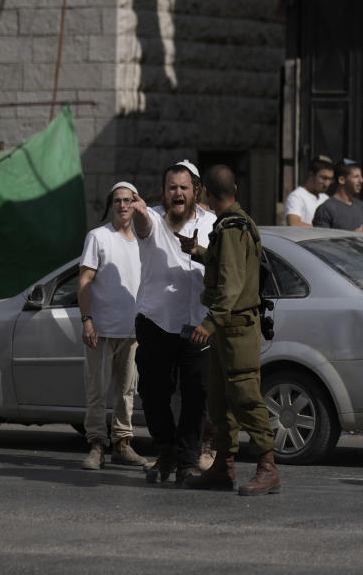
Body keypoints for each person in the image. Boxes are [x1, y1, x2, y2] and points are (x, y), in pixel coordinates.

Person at [178, 165, 281, 496]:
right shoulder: (231, 225)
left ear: (205, 192)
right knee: (220, 401)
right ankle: (224, 467)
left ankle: (268, 468)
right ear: (234, 189)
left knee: (246, 398)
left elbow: (233, 284)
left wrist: (209, 323)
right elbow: (228, 265)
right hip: (229, 328)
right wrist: (199, 253)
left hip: (236, 327)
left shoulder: (234, 227)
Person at [131, 160, 216, 485]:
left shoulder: (212, 222)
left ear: (195, 191)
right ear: (164, 192)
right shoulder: (152, 217)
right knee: (153, 393)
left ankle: (187, 459)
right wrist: (138, 209)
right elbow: (143, 226)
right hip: (156, 322)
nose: (177, 193)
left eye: (183, 187)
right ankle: (166, 450)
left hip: (198, 325)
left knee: (197, 395)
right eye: (171, 188)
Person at [77, 182, 148, 470]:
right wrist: (87, 319)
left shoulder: (144, 240)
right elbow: (84, 280)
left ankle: (123, 444)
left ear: (135, 204)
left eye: (128, 200)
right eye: (117, 200)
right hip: (101, 330)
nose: (122, 205)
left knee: (127, 391)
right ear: (111, 205)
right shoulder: (98, 237)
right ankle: (96, 445)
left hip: (132, 331)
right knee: (96, 390)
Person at [312, 161, 363, 234]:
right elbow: (321, 242)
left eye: (361, 176)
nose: (361, 180)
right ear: (341, 180)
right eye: (356, 176)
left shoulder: (360, 206)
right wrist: (353, 236)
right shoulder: (326, 209)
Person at [283, 155, 334, 226]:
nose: (327, 184)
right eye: (323, 178)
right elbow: (294, 223)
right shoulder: (297, 196)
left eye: (330, 179)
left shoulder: (325, 198)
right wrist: (322, 230)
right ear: (311, 174)